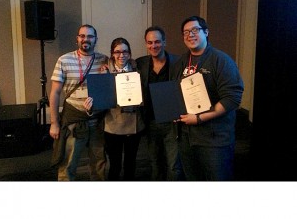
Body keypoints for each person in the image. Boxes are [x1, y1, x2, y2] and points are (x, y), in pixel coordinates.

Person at [171, 15, 244, 181]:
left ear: (206, 32)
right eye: (186, 32)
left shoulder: (221, 60)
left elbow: (232, 98)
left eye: (195, 30)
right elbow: (174, 93)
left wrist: (199, 118)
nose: (190, 35)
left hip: (214, 140)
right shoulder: (181, 62)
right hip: (186, 138)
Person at [49, 24, 108, 181]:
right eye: (82, 36)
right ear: (77, 39)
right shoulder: (64, 60)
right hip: (74, 121)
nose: (86, 39)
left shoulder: (104, 60)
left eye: (90, 36)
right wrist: (54, 123)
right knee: (68, 163)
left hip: (98, 121)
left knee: (99, 164)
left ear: (96, 39)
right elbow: (54, 93)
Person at [84, 37, 145, 181]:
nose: (121, 55)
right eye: (117, 52)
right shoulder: (104, 71)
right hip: (112, 125)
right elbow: (99, 99)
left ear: (129, 54)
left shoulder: (137, 69)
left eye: (125, 51)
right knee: (115, 164)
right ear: (112, 54)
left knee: (131, 163)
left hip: (133, 123)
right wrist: (90, 107)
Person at [136, 26, 183, 181]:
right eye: (150, 42)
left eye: (157, 42)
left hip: (173, 122)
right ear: (145, 44)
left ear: (164, 42)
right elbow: (120, 67)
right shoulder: (140, 63)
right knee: (155, 163)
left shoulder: (178, 62)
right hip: (150, 122)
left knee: (173, 165)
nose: (153, 46)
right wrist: (106, 67)